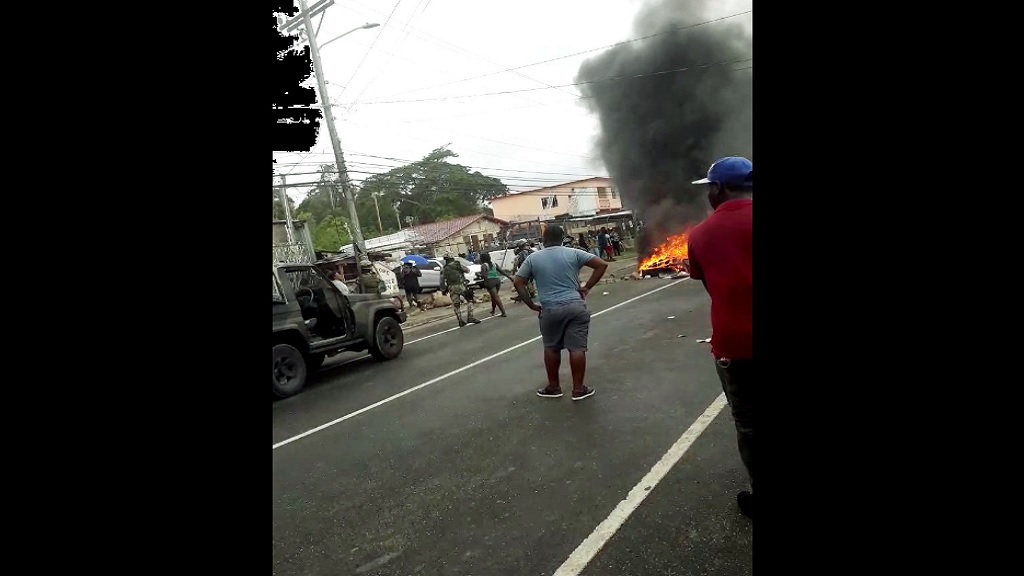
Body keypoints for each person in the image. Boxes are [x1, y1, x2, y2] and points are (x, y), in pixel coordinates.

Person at [686, 156, 754, 519]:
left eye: (709, 188)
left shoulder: (700, 235)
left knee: (749, 424)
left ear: (720, 188)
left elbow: (709, 283)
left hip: (737, 347)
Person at [513, 225, 608, 401]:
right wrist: (586, 287)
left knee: (551, 347)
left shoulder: (533, 258)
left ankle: (553, 387)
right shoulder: (574, 253)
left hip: (550, 309)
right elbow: (602, 264)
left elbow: (518, 282)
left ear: (543, 239)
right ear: (562, 238)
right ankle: (578, 390)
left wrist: (531, 305)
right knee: (577, 348)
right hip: (575, 306)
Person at [440, 254, 480, 326]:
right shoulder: (457, 265)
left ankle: (460, 320)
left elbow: (441, 280)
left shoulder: (444, 269)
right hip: (461, 286)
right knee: (470, 300)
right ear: (452, 257)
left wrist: (443, 289)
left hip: (451, 288)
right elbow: (467, 270)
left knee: (456, 305)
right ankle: (470, 317)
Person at [478, 252, 513, 317]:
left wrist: (479, 275)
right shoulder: (494, 264)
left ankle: (503, 312)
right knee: (493, 296)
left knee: (496, 297)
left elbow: (484, 276)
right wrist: (510, 277)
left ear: (482, 259)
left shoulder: (483, 266)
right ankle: (493, 310)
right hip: (497, 280)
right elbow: (502, 271)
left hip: (490, 282)